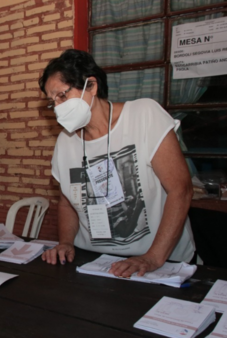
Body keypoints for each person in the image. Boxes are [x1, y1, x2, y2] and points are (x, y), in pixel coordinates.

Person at [39, 49, 194, 278]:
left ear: (91, 86)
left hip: (160, 261)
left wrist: (153, 257)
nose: (58, 107)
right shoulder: (65, 141)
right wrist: (66, 242)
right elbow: (66, 202)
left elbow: (181, 190)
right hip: (92, 262)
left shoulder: (143, 115)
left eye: (61, 95)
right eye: (52, 102)